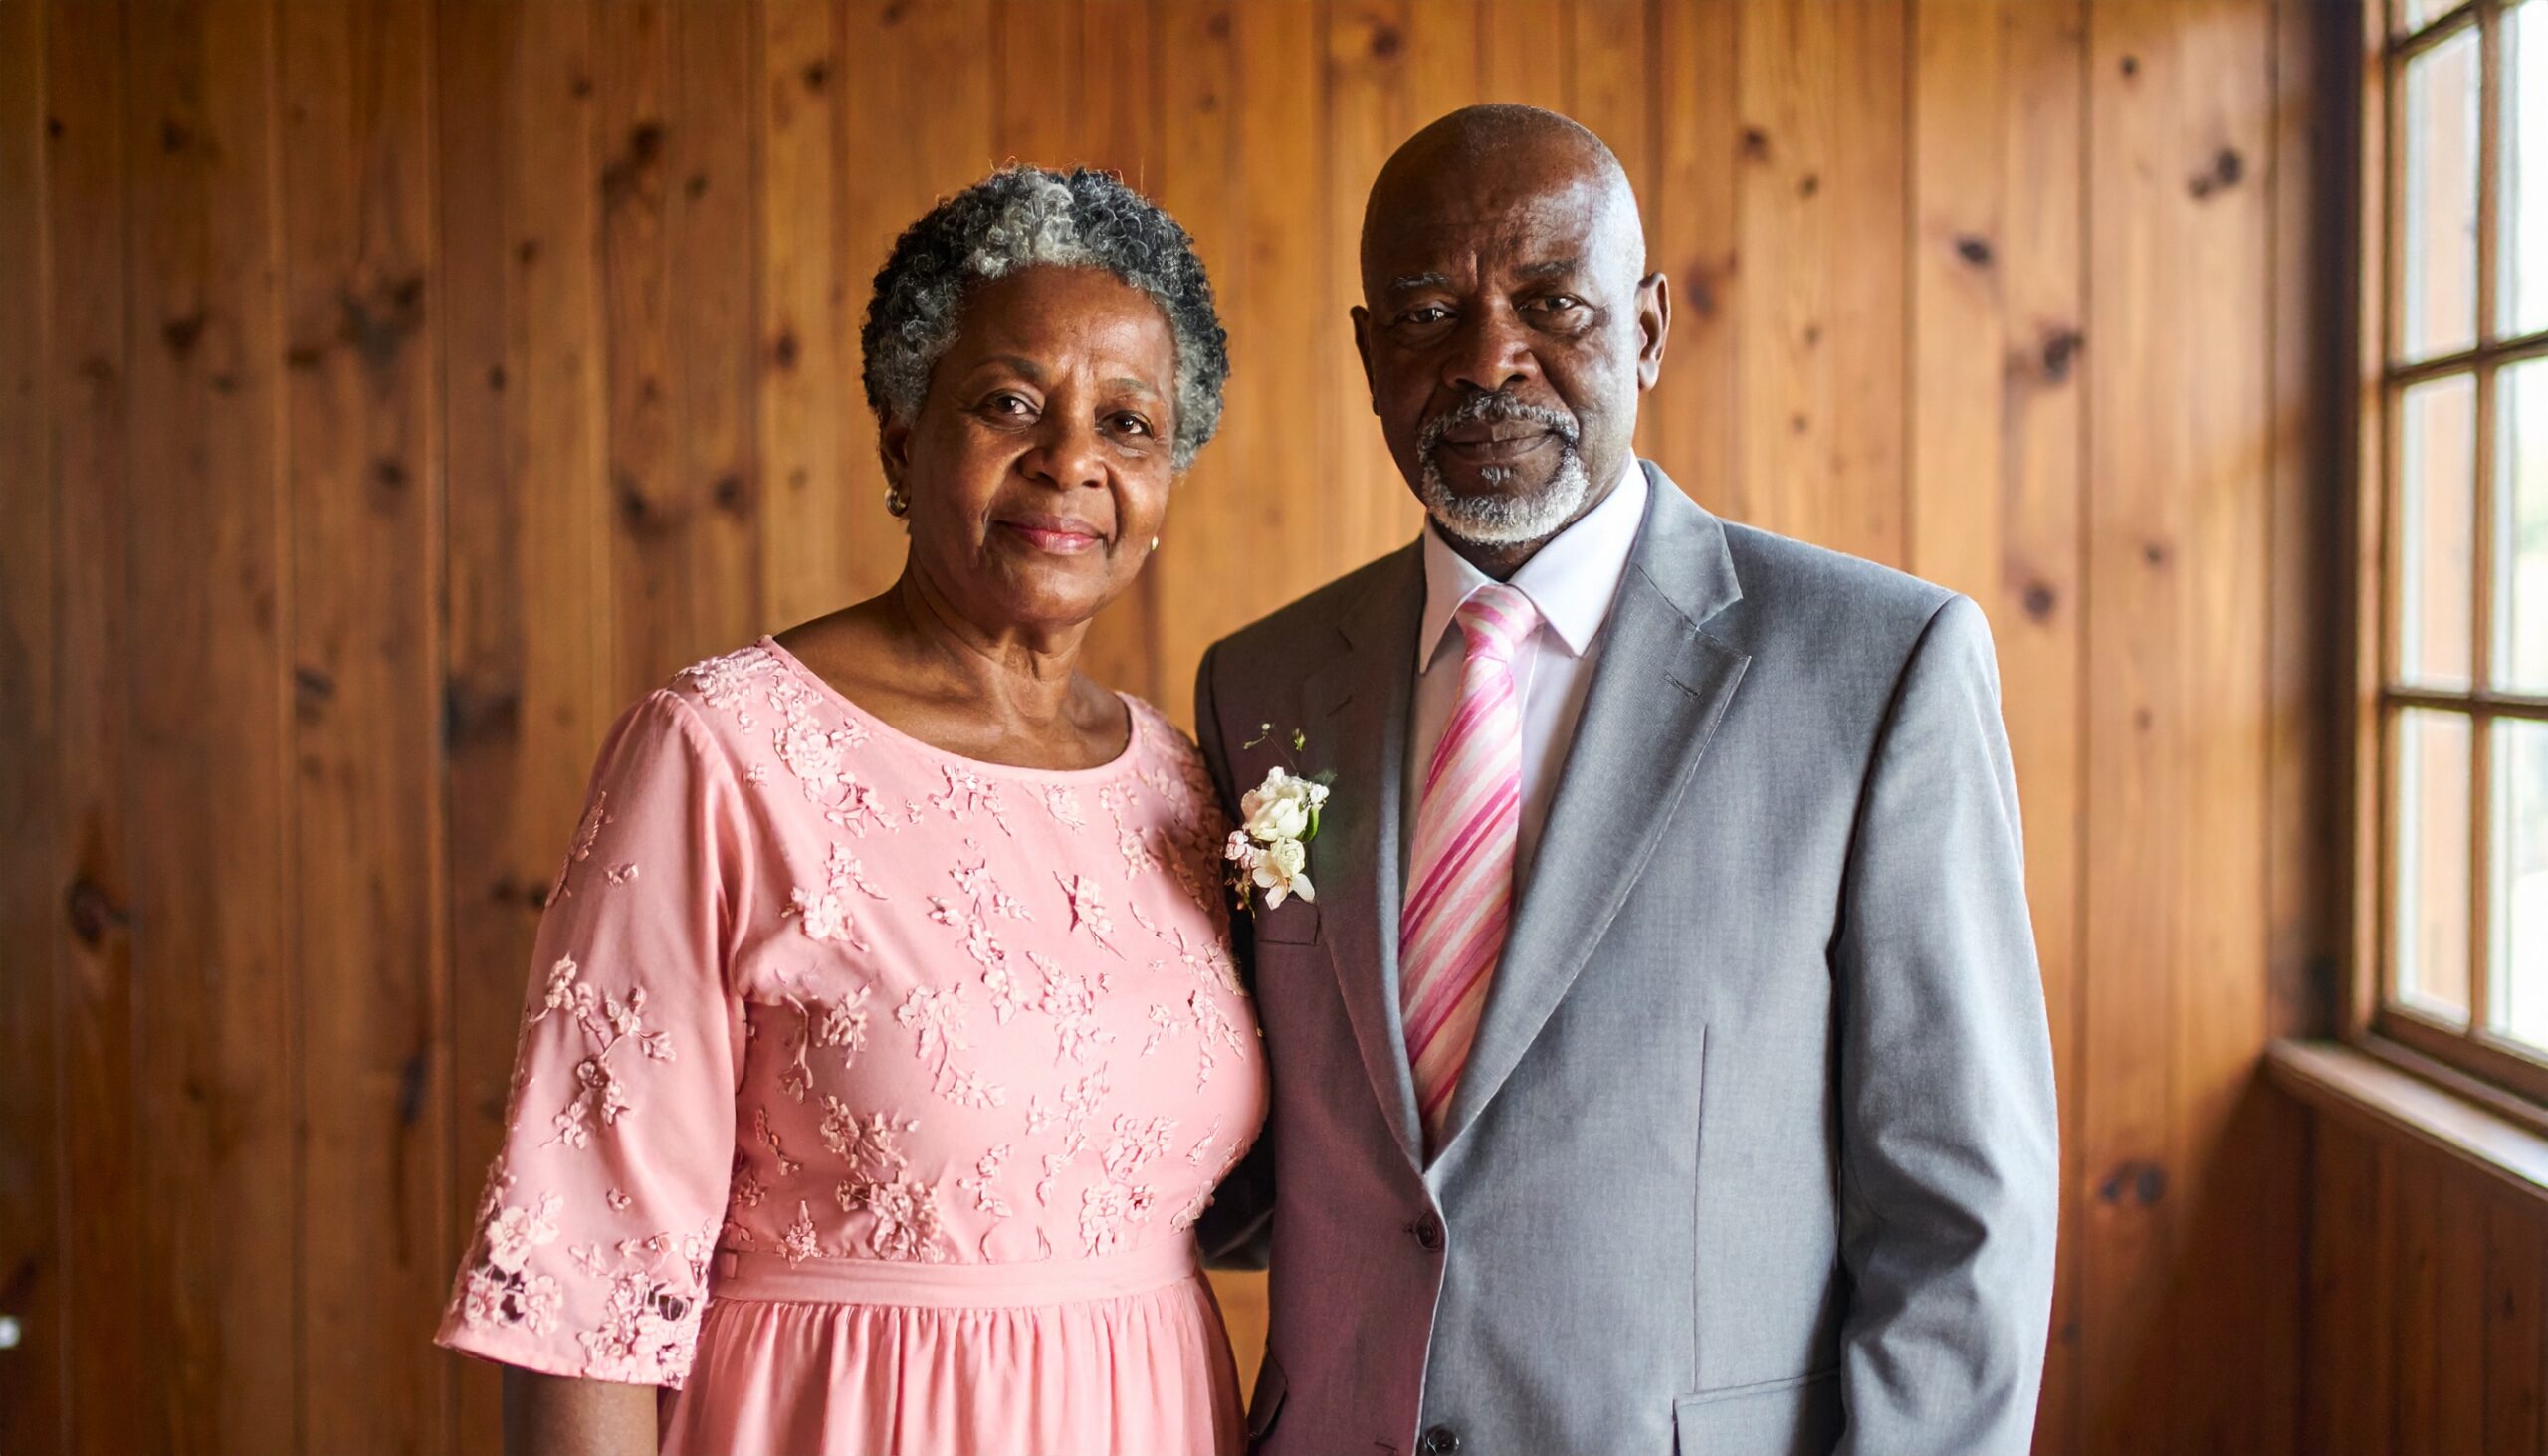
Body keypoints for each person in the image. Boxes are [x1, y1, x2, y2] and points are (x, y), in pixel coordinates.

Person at [1191, 104, 2059, 1456]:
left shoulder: (1879, 668)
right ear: (1369, 357)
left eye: (1552, 302)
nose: (1490, 362)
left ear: (1647, 328)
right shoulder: (1263, 686)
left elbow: (1965, 1212)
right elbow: (1238, 1140)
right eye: (1427, 313)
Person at [437, 166, 1265, 1456]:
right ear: (901, 436)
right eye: (1010, 405)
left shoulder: (1180, 780)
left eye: (1128, 424)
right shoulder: (723, 752)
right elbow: (582, 1280)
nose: (1071, 463)